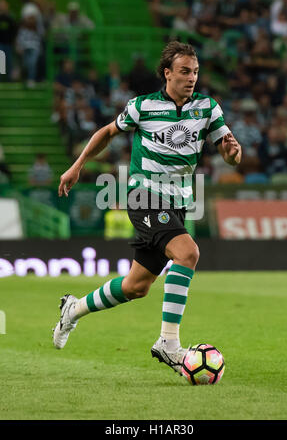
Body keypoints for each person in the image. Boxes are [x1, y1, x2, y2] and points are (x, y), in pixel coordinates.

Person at [53, 41, 242, 375]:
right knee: (188, 253)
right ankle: (168, 343)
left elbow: (230, 154)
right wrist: (77, 165)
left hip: (178, 202)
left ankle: (73, 309)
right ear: (167, 73)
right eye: (184, 71)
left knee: (136, 286)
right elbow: (108, 133)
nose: (191, 78)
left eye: (195, 72)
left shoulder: (208, 108)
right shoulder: (142, 107)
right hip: (145, 198)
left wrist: (232, 152)